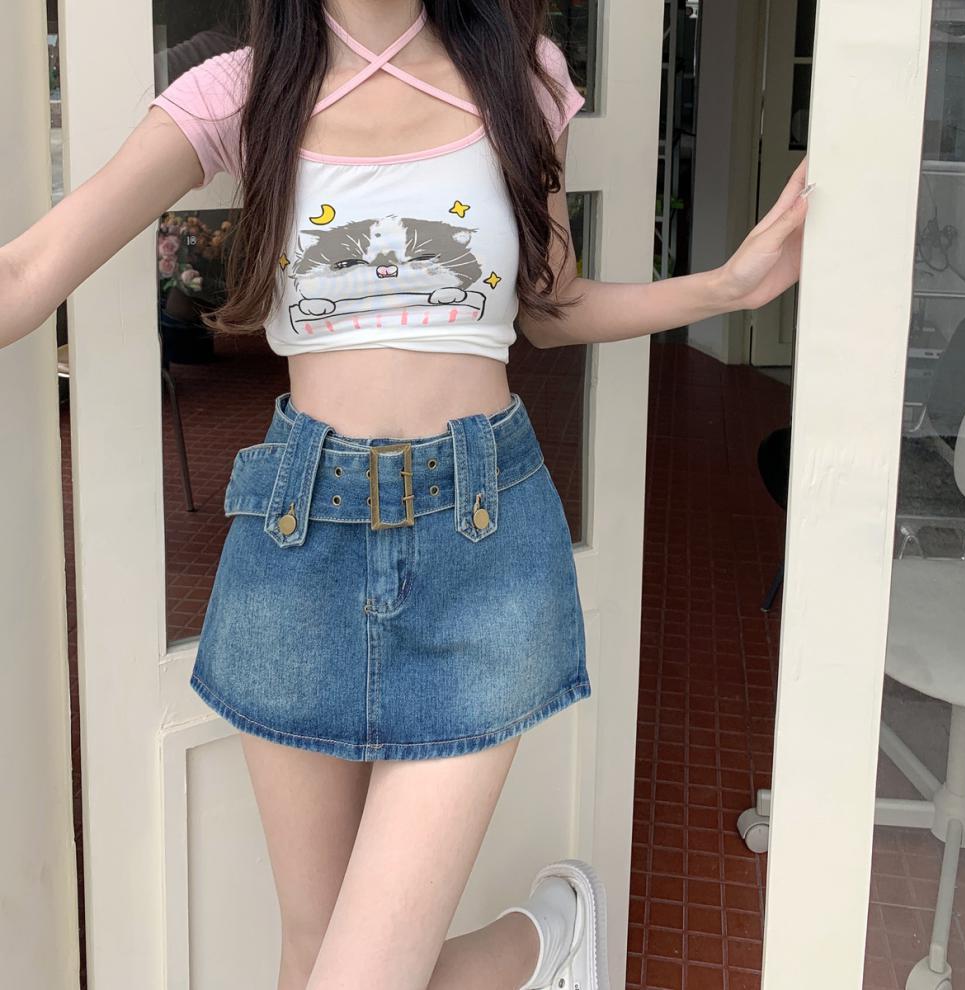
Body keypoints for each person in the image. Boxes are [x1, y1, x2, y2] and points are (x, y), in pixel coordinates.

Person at [0, 1, 811, 988]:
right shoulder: (242, 91)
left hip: (480, 540)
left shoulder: (521, 74)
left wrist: (728, 289)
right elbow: (26, 273)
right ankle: (545, 944)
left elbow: (552, 309)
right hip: (298, 538)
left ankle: (544, 940)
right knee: (313, 951)